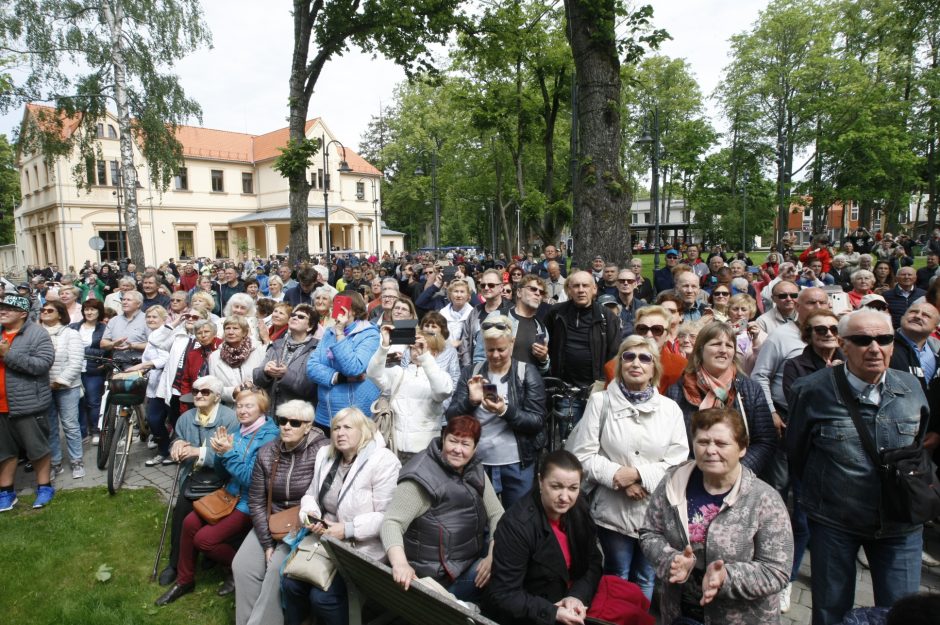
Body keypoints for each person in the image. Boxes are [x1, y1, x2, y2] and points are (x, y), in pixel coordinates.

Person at [788, 309, 929, 625]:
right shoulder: (812, 390)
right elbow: (797, 453)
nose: (875, 348)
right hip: (835, 523)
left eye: (884, 339)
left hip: (900, 524)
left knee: (901, 613)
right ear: (842, 344)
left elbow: (919, 444)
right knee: (830, 611)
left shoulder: (911, 387)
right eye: (863, 340)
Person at [639, 407, 793, 625]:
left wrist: (726, 578)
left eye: (721, 444)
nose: (710, 450)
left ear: (742, 448)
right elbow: (649, 532)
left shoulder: (764, 499)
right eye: (703, 442)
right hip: (680, 612)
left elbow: (777, 570)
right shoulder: (674, 482)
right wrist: (670, 559)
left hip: (741, 618)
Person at [567, 336, 689, 600]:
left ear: (654, 367)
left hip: (654, 510)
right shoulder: (600, 402)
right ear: (620, 363)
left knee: (645, 576)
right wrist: (617, 477)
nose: (636, 363)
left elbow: (678, 461)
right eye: (629, 356)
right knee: (617, 572)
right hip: (613, 509)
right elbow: (583, 455)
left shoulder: (670, 410)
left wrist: (638, 476)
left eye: (644, 358)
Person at [155, 386, 279, 605]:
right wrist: (221, 455)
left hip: (249, 501)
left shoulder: (269, 437)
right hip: (227, 495)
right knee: (189, 523)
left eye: (248, 406)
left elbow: (251, 479)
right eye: (239, 406)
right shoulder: (239, 430)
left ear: (262, 408)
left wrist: (228, 453)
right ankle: (185, 580)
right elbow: (223, 474)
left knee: (204, 541)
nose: (242, 411)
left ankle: (238, 567)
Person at [281, 407, 402, 625]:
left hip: (361, 546)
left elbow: (388, 517)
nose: (340, 433)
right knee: (290, 583)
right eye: (336, 427)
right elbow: (311, 494)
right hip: (324, 540)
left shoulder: (383, 461)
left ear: (363, 431)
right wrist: (311, 515)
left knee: (323, 598)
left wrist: (347, 529)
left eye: (348, 427)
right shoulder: (325, 455)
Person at [381, 416, 504, 602]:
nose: (457, 449)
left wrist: (493, 555)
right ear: (443, 439)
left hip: (466, 558)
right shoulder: (421, 477)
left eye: (465, 444)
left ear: (475, 449)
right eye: (452, 441)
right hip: (438, 577)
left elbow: (497, 514)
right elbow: (391, 523)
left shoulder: (473, 469)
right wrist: (400, 564)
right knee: (505, 574)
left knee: (513, 554)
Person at [232, 399, 328, 625]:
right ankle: (245, 620)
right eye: (282, 420)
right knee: (242, 566)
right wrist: (266, 543)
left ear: (308, 426)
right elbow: (256, 500)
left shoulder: (322, 451)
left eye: (294, 422)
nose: (286, 426)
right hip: (273, 519)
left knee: (276, 568)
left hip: (303, 524)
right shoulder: (268, 452)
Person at [485, 450, 604, 625]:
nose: (565, 497)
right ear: (540, 481)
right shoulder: (516, 525)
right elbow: (505, 594)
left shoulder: (579, 507)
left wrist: (576, 596)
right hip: (533, 614)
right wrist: (552, 612)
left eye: (573, 488)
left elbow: (593, 561)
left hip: (574, 602)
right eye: (556, 487)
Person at [446, 317, 546, 508]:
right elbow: (451, 417)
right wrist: (471, 402)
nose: (496, 355)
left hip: (517, 462)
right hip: (478, 462)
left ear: (512, 343)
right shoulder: (471, 372)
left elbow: (537, 421)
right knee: (479, 520)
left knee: (517, 520)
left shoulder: (526, 372)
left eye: (501, 349)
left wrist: (505, 410)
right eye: (490, 350)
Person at [156, 375, 238, 587]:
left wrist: (198, 452)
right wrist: (177, 445)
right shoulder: (185, 418)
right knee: (181, 512)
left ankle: (210, 556)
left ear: (217, 397)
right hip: (192, 477)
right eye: (196, 391)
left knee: (208, 514)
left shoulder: (230, 419)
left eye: (205, 392)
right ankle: (175, 564)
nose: (199, 395)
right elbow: (178, 438)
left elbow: (231, 454)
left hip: (221, 479)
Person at [665, 322, 776, 475]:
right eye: (716, 344)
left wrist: (737, 472)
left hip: (740, 477)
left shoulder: (750, 389)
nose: (723, 350)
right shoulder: (678, 391)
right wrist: (698, 474)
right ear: (701, 349)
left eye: (729, 346)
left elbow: (765, 441)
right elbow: (671, 443)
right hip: (692, 478)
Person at [367, 322, 454, 463]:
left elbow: (442, 391)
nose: (416, 351)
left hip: (425, 451)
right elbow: (372, 373)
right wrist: (383, 347)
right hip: (395, 446)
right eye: (413, 348)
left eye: (421, 347)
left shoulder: (442, 376)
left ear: (435, 352)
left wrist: (425, 357)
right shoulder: (398, 373)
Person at [0, 294, 56, 510]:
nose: (3, 312)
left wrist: (9, 354)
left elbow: (42, 365)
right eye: (1, 308)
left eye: (9, 309)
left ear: (23, 314)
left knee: (37, 449)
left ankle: (44, 487)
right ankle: (6, 492)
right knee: (4, 452)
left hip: (28, 404)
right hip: (2, 406)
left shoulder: (37, 334)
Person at [544, 271, 620, 422]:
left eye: (585, 285)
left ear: (594, 289)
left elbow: (615, 354)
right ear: (569, 290)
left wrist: (604, 383)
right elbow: (547, 342)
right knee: (569, 440)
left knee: (595, 439)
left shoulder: (607, 317)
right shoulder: (556, 313)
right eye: (576, 286)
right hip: (565, 391)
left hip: (597, 391)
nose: (581, 290)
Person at [306, 291, 380, 434]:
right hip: (324, 415)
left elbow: (354, 368)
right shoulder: (329, 332)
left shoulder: (370, 334)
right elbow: (312, 367)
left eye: (341, 305)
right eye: (335, 305)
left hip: (353, 418)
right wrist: (339, 378)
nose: (336, 309)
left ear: (353, 309)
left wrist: (340, 333)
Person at [40, 300, 85, 480]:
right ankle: (55, 462)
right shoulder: (37, 333)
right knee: (50, 427)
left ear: (60, 313)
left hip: (67, 387)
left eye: (49, 310)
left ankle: (77, 461)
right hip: (43, 387)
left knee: (70, 425)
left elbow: (75, 361)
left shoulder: (71, 334)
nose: (45, 312)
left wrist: (60, 381)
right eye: (43, 310)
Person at [125, 305, 171, 466]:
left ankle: (169, 451)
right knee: (154, 420)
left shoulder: (166, 335)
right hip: (154, 385)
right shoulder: (153, 335)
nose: (151, 320)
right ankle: (164, 449)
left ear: (164, 319)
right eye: (149, 317)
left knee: (165, 419)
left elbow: (165, 358)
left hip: (167, 385)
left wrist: (145, 365)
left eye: (155, 317)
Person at [253, 304, 319, 414]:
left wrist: (286, 374)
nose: (294, 317)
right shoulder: (276, 345)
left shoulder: (316, 350)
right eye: (293, 315)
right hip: (270, 413)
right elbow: (257, 379)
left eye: (301, 317)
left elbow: (310, 388)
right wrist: (265, 372)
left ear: (310, 326)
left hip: (296, 416)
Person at [208, 316, 266, 405]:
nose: (231, 332)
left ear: (244, 332)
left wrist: (252, 385)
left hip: (257, 405)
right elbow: (214, 388)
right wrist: (233, 392)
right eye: (227, 328)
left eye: (235, 328)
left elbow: (267, 379)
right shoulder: (214, 356)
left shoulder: (260, 350)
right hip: (231, 408)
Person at [71, 298, 107, 442]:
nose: (89, 312)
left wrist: (81, 350)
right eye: (87, 309)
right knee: (79, 401)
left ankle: (96, 430)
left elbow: (104, 351)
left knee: (93, 401)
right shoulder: (74, 327)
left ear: (99, 312)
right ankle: (82, 431)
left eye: (92, 309)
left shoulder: (104, 328)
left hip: (94, 369)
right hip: (75, 369)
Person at [101, 290, 150, 365]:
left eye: (129, 300)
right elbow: (103, 344)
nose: (124, 302)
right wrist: (113, 344)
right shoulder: (114, 320)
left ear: (138, 304)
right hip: (116, 366)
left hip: (139, 366)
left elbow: (154, 344)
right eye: (123, 299)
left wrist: (133, 346)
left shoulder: (148, 320)